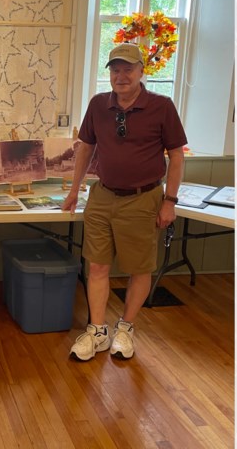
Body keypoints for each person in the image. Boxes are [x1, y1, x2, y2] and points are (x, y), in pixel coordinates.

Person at [61, 42, 186, 362]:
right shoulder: (98, 104)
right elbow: (86, 148)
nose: (121, 76)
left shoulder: (162, 106)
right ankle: (98, 331)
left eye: (128, 69)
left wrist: (169, 201)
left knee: (139, 268)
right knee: (97, 264)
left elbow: (175, 155)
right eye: (115, 70)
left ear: (142, 71)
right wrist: (75, 190)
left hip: (143, 198)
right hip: (102, 195)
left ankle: (126, 328)